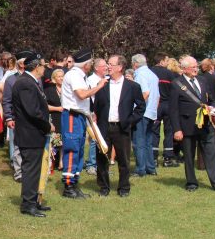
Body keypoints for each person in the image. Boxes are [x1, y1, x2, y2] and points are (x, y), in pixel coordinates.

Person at [169, 56, 215, 192]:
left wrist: (212, 108)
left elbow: (212, 99)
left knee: (211, 154)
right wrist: (177, 129)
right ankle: (191, 182)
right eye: (192, 67)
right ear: (184, 68)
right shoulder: (176, 84)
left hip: (205, 124)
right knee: (189, 156)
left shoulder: (202, 80)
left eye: (196, 67)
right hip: (187, 125)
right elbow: (173, 109)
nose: (195, 69)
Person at [90, 55, 145, 197]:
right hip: (104, 126)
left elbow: (140, 107)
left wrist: (129, 121)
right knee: (102, 158)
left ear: (120, 67)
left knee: (124, 159)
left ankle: (124, 188)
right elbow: (95, 106)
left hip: (122, 127)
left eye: (111, 64)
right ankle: (103, 187)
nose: (108, 66)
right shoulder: (102, 85)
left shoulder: (132, 86)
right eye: (107, 64)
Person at [12, 51, 52, 217]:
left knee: (35, 169)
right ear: (36, 67)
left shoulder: (30, 81)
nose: (45, 68)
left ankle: (33, 200)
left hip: (33, 133)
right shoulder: (25, 83)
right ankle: (28, 204)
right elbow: (33, 111)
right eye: (43, 65)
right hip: (30, 134)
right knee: (31, 170)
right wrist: (48, 126)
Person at [60, 49, 103, 199]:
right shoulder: (74, 75)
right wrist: (99, 86)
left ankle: (74, 183)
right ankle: (68, 186)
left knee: (78, 150)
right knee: (72, 149)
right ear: (85, 64)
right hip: (72, 115)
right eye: (90, 62)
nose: (91, 64)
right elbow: (82, 94)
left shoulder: (80, 75)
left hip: (80, 116)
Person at [131, 54, 160, 177]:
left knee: (139, 141)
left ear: (135, 64)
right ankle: (150, 167)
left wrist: (137, 107)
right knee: (148, 141)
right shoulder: (152, 75)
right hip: (151, 112)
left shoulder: (140, 74)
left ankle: (140, 169)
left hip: (142, 112)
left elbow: (145, 92)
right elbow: (157, 96)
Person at [150, 53, 176, 168]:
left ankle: (153, 158)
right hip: (168, 105)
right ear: (161, 61)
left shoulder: (150, 72)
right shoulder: (170, 74)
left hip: (155, 105)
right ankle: (167, 158)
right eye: (166, 61)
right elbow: (175, 90)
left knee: (154, 131)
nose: (167, 63)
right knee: (169, 131)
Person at [1, 55, 23, 181]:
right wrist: (8, 117)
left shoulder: (36, 79)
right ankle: (19, 173)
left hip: (31, 119)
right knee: (18, 147)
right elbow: (6, 100)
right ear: (21, 64)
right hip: (17, 117)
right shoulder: (11, 80)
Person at [44, 68, 65, 171]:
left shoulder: (67, 89)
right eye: (59, 76)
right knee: (54, 141)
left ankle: (61, 162)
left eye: (62, 76)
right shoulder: (49, 90)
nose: (61, 78)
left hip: (65, 118)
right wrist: (58, 108)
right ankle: (50, 163)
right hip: (54, 118)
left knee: (64, 141)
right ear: (54, 78)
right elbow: (44, 106)